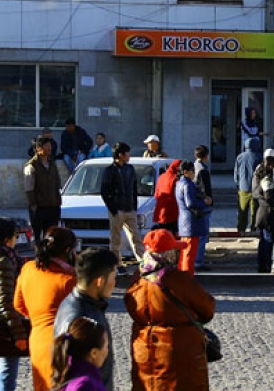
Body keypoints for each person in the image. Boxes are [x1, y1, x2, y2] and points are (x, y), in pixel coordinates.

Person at [124, 229, 215, 391]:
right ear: (169, 253)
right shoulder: (178, 279)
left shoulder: (137, 279)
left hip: (144, 347)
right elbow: (207, 308)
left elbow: (131, 307)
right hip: (178, 349)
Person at [14, 227, 77, 391]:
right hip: (62, 344)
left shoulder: (28, 269)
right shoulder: (69, 280)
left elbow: (18, 305)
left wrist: (39, 315)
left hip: (37, 339)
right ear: (68, 250)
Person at [53, 249, 118, 391]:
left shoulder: (84, 304)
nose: (115, 283)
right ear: (100, 281)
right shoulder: (80, 317)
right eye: (113, 277)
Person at [100, 142, 143, 275]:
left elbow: (134, 188)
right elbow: (104, 191)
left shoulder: (130, 169)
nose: (129, 155)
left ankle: (143, 262)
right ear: (120, 155)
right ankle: (117, 264)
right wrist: (113, 209)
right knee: (115, 239)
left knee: (136, 237)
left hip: (129, 209)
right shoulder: (109, 170)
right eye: (127, 153)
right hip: (117, 209)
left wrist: (134, 207)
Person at [0, 219, 26, 391]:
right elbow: (6, 301)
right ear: (6, 239)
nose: (17, 240)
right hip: (4, 326)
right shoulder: (5, 261)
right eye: (16, 236)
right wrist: (18, 334)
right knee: (8, 372)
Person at [50, 317, 108, 391]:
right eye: (106, 346)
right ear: (94, 353)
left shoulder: (68, 375)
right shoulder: (86, 385)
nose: (107, 351)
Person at [174, 161, 211, 275]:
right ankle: (188, 279)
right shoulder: (187, 184)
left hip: (184, 223)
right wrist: (204, 202)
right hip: (191, 223)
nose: (194, 173)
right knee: (190, 254)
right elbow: (190, 203)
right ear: (185, 172)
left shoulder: (179, 183)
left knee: (184, 254)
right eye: (192, 171)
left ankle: (183, 276)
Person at [24, 136, 62, 241]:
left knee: (51, 238)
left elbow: (57, 184)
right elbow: (29, 189)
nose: (49, 148)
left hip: (53, 207)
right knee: (38, 238)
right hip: (39, 208)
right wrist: (34, 206)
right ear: (38, 148)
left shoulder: (52, 163)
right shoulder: (31, 166)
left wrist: (58, 202)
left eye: (49, 145)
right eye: (46, 145)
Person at [253, 149, 274, 273]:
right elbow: (269, 196)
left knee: (263, 239)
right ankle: (267, 264)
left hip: (262, 211)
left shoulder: (258, 171)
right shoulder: (268, 178)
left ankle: (261, 264)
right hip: (268, 213)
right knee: (268, 240)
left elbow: (255, 192)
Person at [193, 146, 214, 271]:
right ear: (206, 156)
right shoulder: (202, 170)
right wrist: (209, 201)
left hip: (197, 204)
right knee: (202, 234)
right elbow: (206, 189)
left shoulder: (194, 167)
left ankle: (197, 258)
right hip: (203, 205)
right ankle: (198, 261)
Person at [235, 138, 262, 233]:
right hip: (255, 188)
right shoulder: (259, 157)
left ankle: (241, 229)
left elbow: (236, 173)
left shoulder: (240, 157)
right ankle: (253, 229)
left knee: (242, 210)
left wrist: (238, 184)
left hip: (243, 187)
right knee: (254, 211)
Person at [152, 160, 182, 236]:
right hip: (173, 210)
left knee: (162, 235)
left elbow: (156, 194)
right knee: (175, 234)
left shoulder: (161, 177)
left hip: (161, 210)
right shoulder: (176, 178)